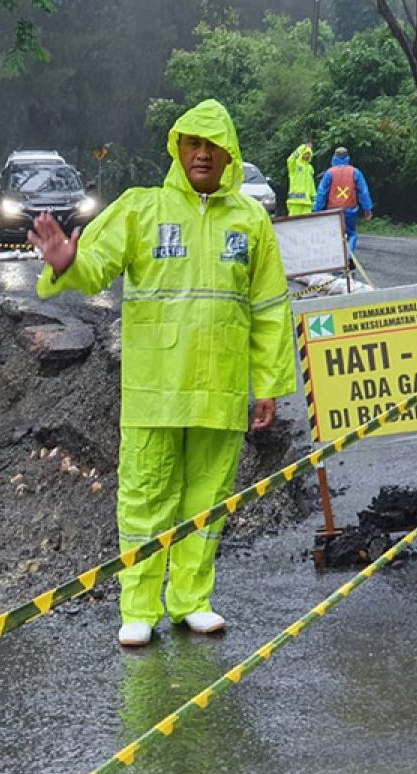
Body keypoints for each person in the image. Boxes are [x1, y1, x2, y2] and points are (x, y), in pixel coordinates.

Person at [27, 99, 296, 648]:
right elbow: (94, 262)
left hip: (220, 392)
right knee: (145, 498)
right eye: (191, 144)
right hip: (154, 389)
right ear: (177, 150)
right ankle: (139, 606)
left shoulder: (251, 222)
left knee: (208, 499)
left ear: (228, 156)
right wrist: (63, 263)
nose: (201, 154)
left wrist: (267, 385)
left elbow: (270, 310)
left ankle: (192, 600)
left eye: (211, 146)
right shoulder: (140, 210)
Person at [313, 146, 373, 254]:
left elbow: (322, 192)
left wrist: (317, 210)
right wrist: (367, 208)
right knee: (352, 234)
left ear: (334, 157)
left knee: (335, 235)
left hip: (333, 211)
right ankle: (349, 259)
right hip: (350, 209)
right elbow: (363, 192)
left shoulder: (329, 173)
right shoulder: (355, 172)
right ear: (347, 157)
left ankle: (337, 262)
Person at [286, 143, 316, 216]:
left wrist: (314, 199)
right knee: (293, 224)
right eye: (306, 153)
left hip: (307, 204)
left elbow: (311, 184)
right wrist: (301, 148)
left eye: (309, 154)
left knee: (307, 225)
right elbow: (290, 159)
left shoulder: (310, 168)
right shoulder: (295, 165)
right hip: (295, 203)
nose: (307, 155)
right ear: (302, 153)